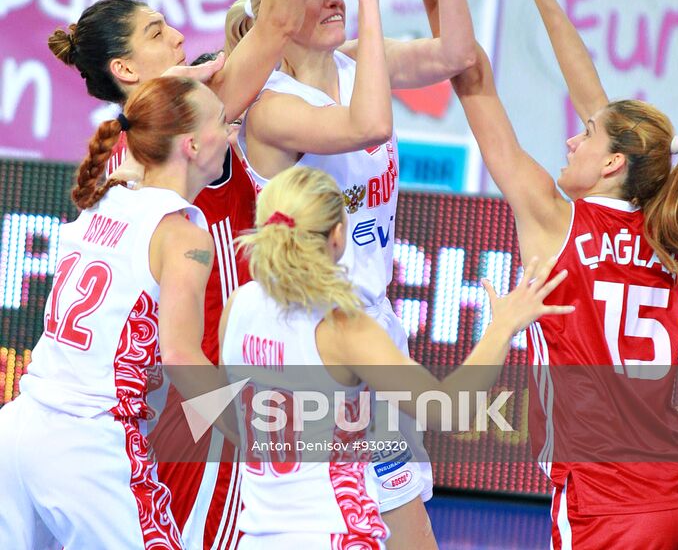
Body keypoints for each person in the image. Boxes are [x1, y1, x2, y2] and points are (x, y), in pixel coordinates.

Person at [45, 0, 371, 550]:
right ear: (127, 68)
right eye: (161, 34)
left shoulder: (118, 137)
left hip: (140, 397)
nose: (182, 37)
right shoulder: (196, 113)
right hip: (213, 380)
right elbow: (277, 25)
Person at [446, 0, 678, 548]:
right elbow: (597, 98)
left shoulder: (554, 219)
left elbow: (476, 85)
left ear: (613, 165)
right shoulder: (662, 225)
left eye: (585, 137)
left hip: (607, 502)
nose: (572, 139)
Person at [238, 0, 475, 549]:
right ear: (274, 16)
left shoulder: (352, 63)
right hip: (313, 338)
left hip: (370, 320)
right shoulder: (272, 106)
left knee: (398, 524)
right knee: (356, 526)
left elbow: (457, 52)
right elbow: (366, 126)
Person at [219, 163, 573, 549]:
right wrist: (503, 326)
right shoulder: (344, 328)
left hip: (258, 535)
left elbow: (229, 413)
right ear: (338, 236)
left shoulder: (239, 305)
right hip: (335, 534)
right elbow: (448, 409)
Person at [0, 74, 232, 549]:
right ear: (190, 144)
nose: (231, 134)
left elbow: (143, 119)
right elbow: (183, 359)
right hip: (89, 447)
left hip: (18, 428)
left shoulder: (108, 191)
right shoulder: (182, 234)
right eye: (224, 122)